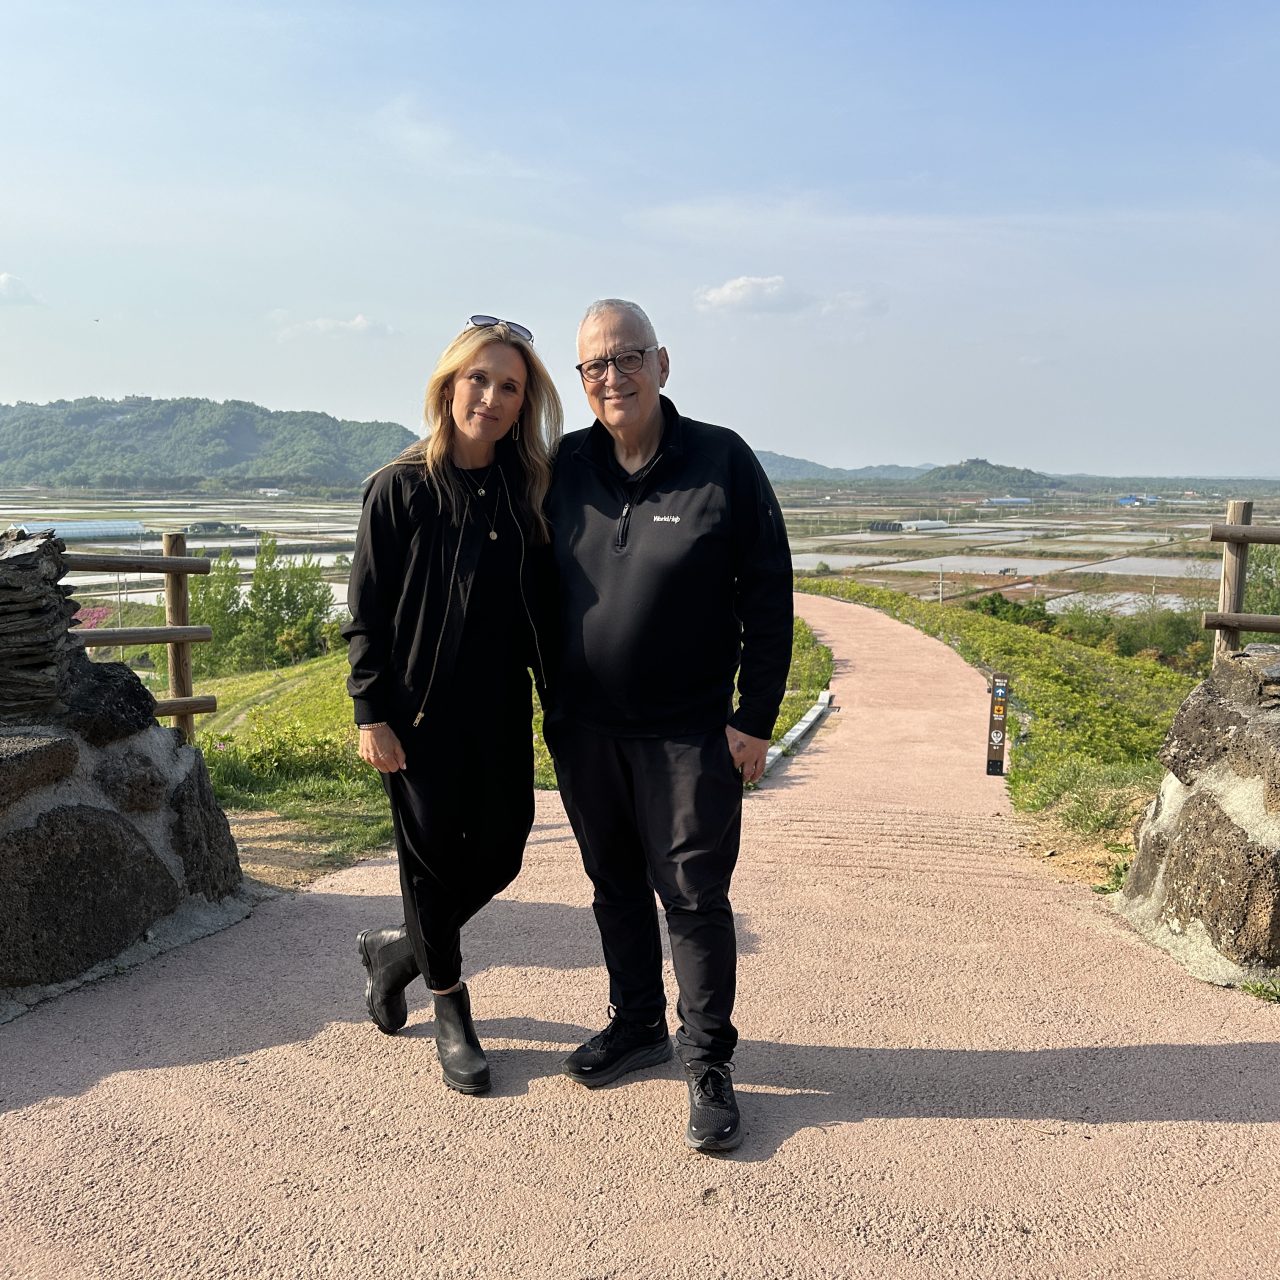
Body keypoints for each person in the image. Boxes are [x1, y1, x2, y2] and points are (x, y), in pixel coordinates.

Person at [543, 299, 793, 1151]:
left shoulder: (722, 460)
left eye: (628, 357)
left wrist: (754, 719)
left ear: (662, 362)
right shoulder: (564, 466)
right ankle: (638, 1023)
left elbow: (769, 595)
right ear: (581, 379)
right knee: (613, 884)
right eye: (595, 365)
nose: (612, 376)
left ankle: (708, 1059)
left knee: (691, 895)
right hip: (585, 730)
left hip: (690, 732)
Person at [344, 315, 561, 1094]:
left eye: (510, 386)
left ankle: (397, 952)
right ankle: (449, 1004)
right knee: (430, 865)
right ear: (449, 385)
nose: (491, 398)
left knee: (503, 851)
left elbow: (542, 607)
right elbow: (365, 613)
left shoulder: (527, 489)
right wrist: (371, 712)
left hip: (500, 709)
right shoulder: (399, 487)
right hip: (417, 717)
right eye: (479, 379)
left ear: (525, 402)